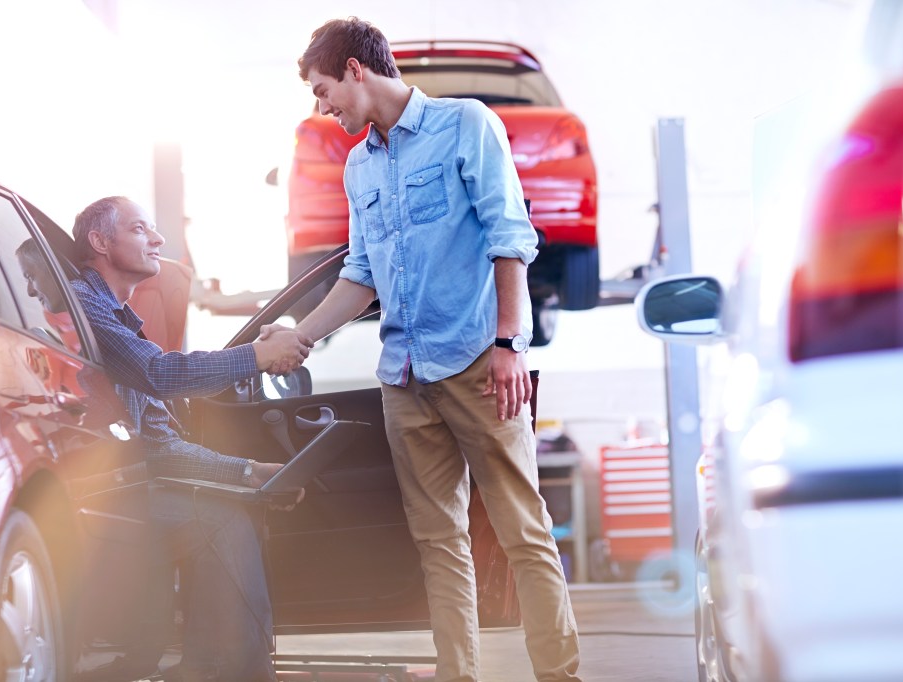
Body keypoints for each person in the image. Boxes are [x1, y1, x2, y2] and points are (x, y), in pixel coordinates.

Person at [282, 17, 581, 682]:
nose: (321, 106)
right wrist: (301, 336)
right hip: (404, 375)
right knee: (438, 544)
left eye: (323, 89)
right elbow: (359, 276)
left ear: (357, 70)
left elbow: (511, 236)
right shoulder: (360, 166)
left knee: (521, 534)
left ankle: (560, 675)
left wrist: (508, 343)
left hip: (478, 361)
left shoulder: (464, 125)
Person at [70, 195, 313, 682]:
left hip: (128, 479)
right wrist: (256, 358)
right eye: (141, 229)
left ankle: (215, 667)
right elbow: (160, 373)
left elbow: (159, 443)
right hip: (90, 491)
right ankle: (230, 671)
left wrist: (247, 471)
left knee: (232, 504)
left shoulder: (118, 320)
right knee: (217, 518)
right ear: (100, 241)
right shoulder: (84, 303)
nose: (158, 240)